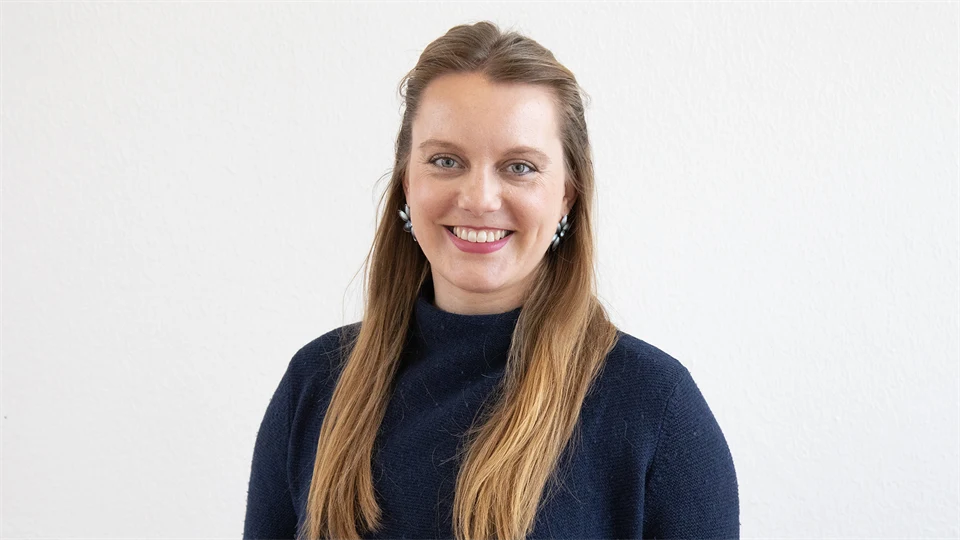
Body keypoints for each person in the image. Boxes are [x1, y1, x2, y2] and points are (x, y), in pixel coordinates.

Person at [243, 21, 739, 540]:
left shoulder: (655, 408)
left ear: (567, 194)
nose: (479, 198)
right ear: (407, 183)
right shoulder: (317, 384)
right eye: (445, 161)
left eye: (519, 167)